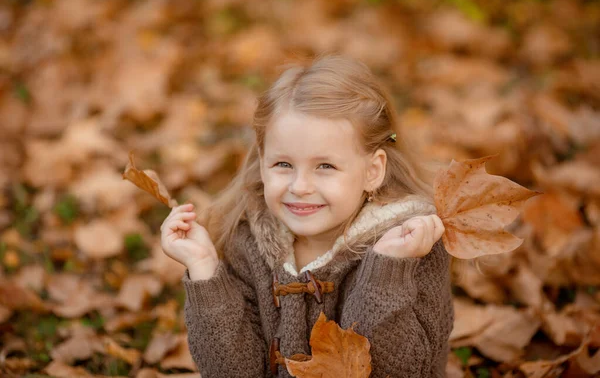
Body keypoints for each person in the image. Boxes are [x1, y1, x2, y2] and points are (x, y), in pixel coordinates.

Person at [160, 54, 454, 377]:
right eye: (283, 164)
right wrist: (204, 268)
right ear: (262, 162)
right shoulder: (247, 242)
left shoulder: (416, 246)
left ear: (373, 171)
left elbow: (405, 371)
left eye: (325, 166)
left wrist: (386, 272)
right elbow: (233, 372)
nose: (300, 187)